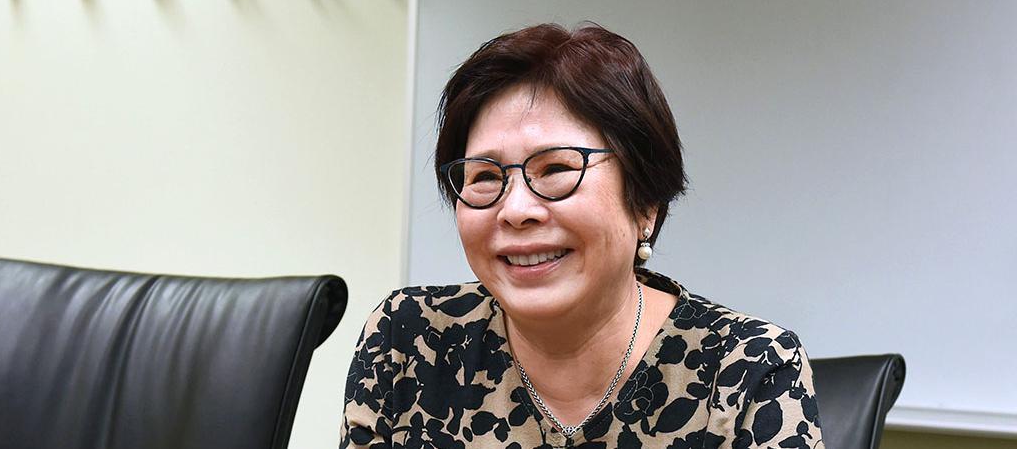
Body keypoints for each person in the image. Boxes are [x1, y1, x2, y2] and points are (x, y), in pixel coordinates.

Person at [340, 23, 822, 449]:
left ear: (645, 203)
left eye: (556, 169)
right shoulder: (406, 340)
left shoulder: (749, 368)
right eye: (485, 176)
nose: (516, 210)